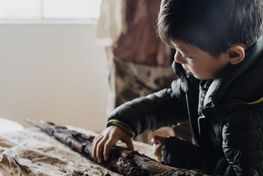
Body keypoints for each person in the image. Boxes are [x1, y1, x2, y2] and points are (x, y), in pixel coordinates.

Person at [92, 0, 263, 175]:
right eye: (176, 50)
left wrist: (177, 154)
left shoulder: (247, 113)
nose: (178, 60)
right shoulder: (210, 72)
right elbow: (173, 100)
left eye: (187, 55)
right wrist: (123, 122)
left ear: (234, 54)